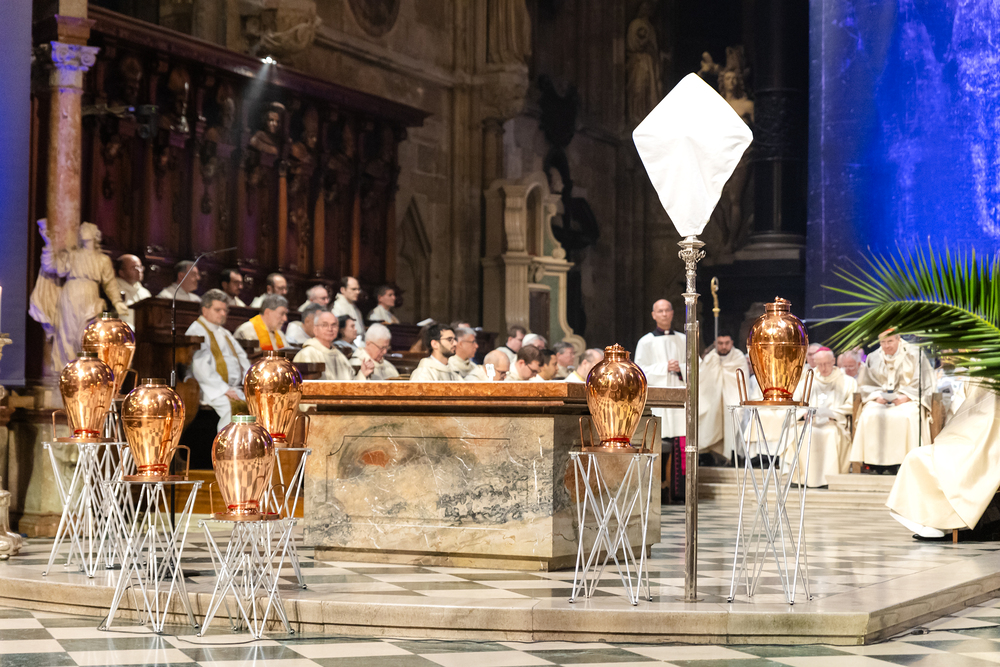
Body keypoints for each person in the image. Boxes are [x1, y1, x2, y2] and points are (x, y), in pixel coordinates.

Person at [888, 383, 1000, 540]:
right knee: (916, 457)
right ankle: (933, 522)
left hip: (987, 445)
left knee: (933, 462)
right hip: (969, 436)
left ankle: (944, 525)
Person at [850, 331, 934, 473]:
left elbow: (925, 382)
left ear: (898, 339)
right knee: (868, 415)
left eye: (890, 341)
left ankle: (905, 463)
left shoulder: (915, 354)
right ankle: (875, 464)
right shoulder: (873, 357)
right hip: (881, 400)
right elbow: (866, 384)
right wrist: (877, 396)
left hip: (908, 399)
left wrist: (906, 396)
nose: (886, 346)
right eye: (883, 342)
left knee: (907, 416)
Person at [635, 299, 686, 502]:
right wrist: (664, 367)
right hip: (659, 401)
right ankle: (657, 491)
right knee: (659, 440)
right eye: (660, 311)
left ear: (672, 313)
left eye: (667, 310)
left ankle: (679, 492)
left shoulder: (684, 339)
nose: (664, 314)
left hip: (680, 399)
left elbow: (697, 365)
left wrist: (681, 367)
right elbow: (639, 370)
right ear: (653, 315)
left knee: (680, 442)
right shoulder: (645, 342)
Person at [185, 290, 251, 431]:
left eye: (225, 310)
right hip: (208, 388)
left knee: (253, 404)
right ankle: (225, 443)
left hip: (232, 388)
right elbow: (201, 368)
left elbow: (242, 358)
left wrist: (249, 382)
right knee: (229, 408)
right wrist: (224, 389)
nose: (223, 313)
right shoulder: (197, 331)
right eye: (218, 310)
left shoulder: (224, 332)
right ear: (205, 310)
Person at [794, 349, 856, 488]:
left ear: (833, 361)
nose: (823, 368)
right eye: (819, 364)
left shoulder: (847, 381)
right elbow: (795, 404)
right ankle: (805, 479)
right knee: (804, 433)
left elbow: (852, 404)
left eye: (827, 364)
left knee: (830, 434)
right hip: (809, 423)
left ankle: (829, 479)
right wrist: (803, 414)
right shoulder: (806, 381)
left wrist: (833, 414)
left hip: (834, 423)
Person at [698, 334, 749, 462]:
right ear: (715, 343)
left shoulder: (738, 357)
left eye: (727, 343)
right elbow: (702, 381)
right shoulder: (710, 357)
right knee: (707, 413)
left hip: (733, 397)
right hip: (712, 398)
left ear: (732, 343)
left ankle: (734, 455)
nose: (724, 346)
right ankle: (708, 456)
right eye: (720, 343)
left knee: (736, 414)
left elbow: (742, 383)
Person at [293, 310, 370, 380]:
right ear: (315, 329)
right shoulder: (307, 354)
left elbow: (351, 385)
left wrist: (363, 374)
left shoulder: (340, 356)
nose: (330, 329)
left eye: (334, 325)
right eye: (324, 325)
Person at [114, 254, 151, 327]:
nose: (139, 271)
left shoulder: (145, 293)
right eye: (134, 267)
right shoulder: (113, 290)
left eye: (140, 267)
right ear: (121, 272)